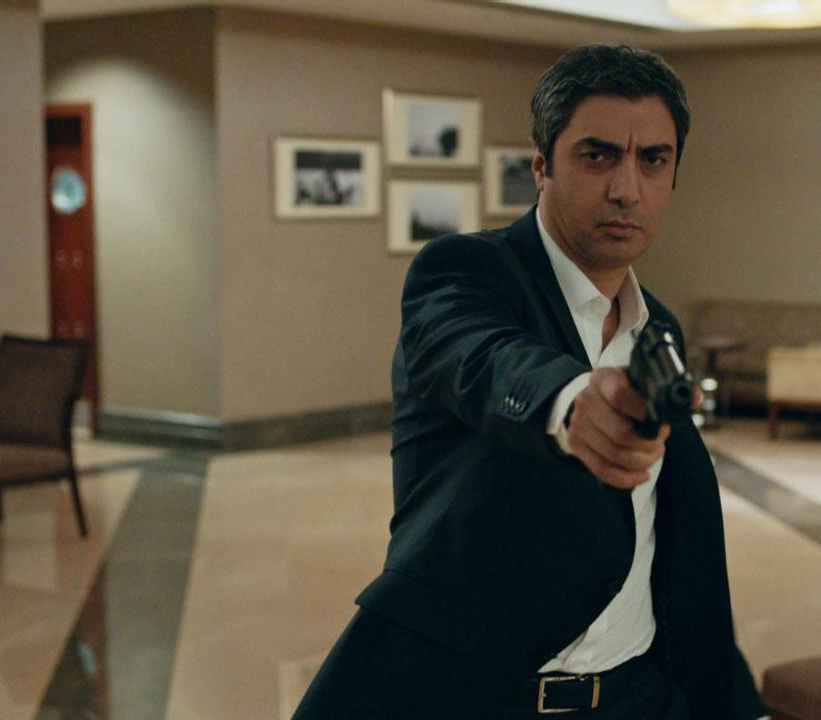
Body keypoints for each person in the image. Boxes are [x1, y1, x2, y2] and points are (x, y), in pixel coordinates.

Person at [293, 43, 768, 719]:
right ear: (541, 164)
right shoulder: (464, 272)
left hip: (635, 695)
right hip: (481, 699)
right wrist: (571, 405)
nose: (626, 188)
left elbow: (674, 550)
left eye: (653, 160)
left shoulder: (656, 326)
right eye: (598, 156)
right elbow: (483, 356)